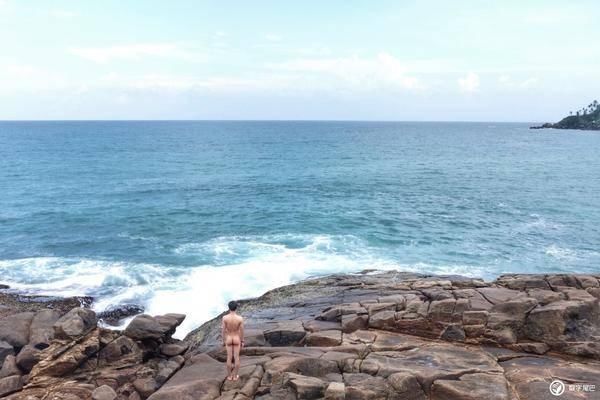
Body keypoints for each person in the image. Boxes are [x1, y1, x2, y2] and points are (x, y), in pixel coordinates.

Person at [221, 300, 244, 381]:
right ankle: (235, 376)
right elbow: (242, 331)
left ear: (229, 308)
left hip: (229, 338)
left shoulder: (225, 318)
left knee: (229, 357)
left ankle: (229, 376)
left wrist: (223, 341)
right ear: (236, 308)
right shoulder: (240, 318)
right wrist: (242, 341)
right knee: (236, 357)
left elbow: (223, 330)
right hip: (236, 338)